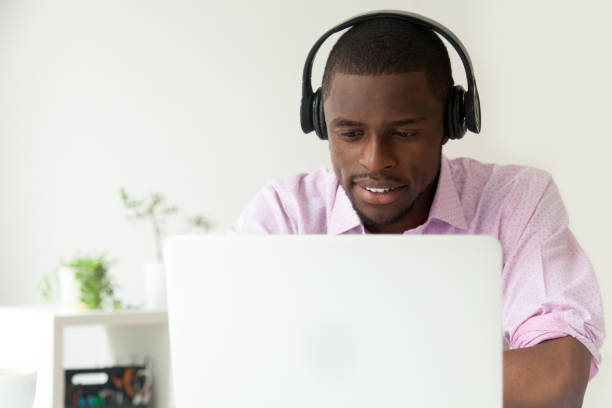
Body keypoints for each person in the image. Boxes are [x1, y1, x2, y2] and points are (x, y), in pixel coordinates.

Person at [229, 11, 605, 407]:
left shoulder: (516, 199)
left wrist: (342, 382)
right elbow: (231, 372)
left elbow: (556, 379)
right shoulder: (285, 214)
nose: (375, 161)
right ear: (321, 123)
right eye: (350, 133)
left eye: (405, 133)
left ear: (451, 123)